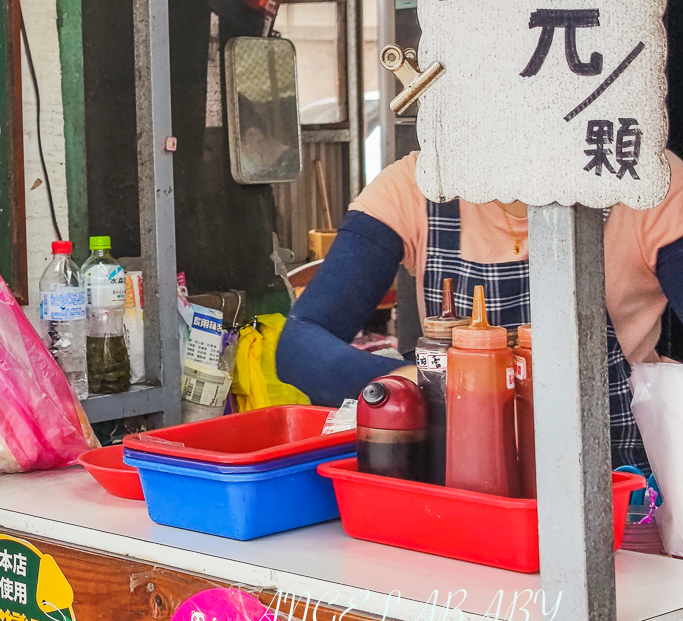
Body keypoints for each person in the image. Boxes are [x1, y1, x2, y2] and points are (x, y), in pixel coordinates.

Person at [277, 149, 683, 470]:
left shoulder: (647, 182)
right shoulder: (417, 186)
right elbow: (300, 344)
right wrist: (410, 382)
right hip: (460, 478)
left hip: (620, 486)